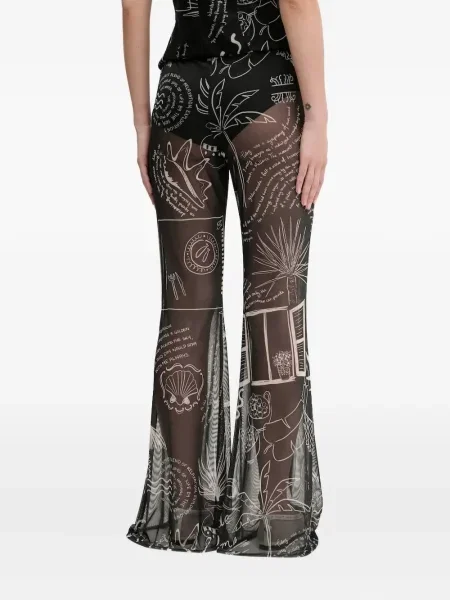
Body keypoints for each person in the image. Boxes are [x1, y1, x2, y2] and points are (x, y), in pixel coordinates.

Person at [123, 0, 327, 557]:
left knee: (185, 311)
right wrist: (318, 118)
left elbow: (133, 5)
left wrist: (141, 122)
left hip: (179, 101)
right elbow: (297, 4)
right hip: (264, 94)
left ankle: (181, 519)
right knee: (276, 305)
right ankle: (273, 523)